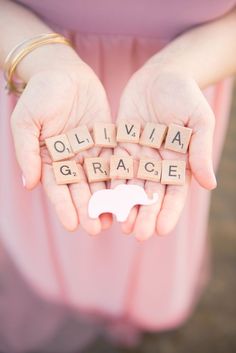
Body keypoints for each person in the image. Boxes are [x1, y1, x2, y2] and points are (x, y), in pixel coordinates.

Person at [0, 0, 235, 352]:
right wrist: (42, 57)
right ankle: (68, 290)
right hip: (41, 91)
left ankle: (133, 305)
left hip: (177, 100)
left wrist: (183, 68)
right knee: (53, 235)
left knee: (152, 238)